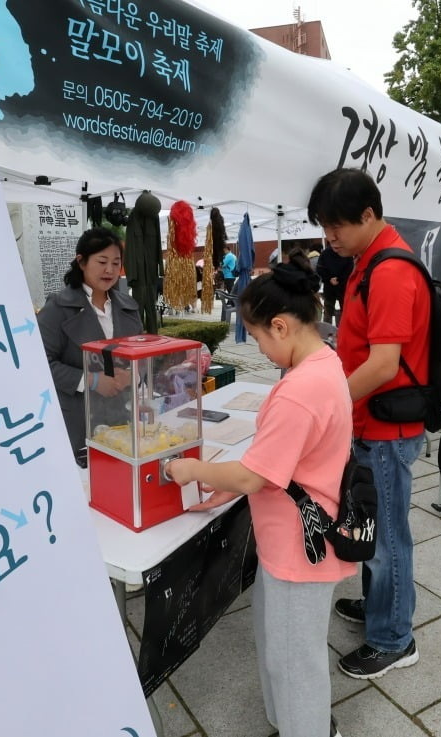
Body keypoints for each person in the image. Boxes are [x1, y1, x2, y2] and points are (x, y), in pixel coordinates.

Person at [165, 254, 353, 737]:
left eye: (260, 338)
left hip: (299, 545)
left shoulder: (300, 389)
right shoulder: (327, 361)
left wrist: (191, 469)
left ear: (281, 325)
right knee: (286, 648)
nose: (263, 351)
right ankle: (293, 723)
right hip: (302, 534)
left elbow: (254, 476)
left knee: (294, 659)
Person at [308, 167, 431, 680]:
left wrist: (329, 403)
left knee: (386, 539)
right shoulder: (365, 260)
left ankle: (393, 638)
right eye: (324, 227)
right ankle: (382, 606)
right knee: (370, 526)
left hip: (386, 428)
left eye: (337, 226)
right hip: (371, 423)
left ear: (369, 215)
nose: (329, 237)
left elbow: (383, 363)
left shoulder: (391, 270)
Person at [37, 227, 143, 466]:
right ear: (81, 262)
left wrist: (134, 376)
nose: (110, 270)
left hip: (122, 418)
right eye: (102, 261)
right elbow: (39, 364)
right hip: (77, 422)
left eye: (116, 263)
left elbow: (143, 355)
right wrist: (91, 381)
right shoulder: (57, 309)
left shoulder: (128, 307)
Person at [315, 241, 353, 326]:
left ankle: (343, 328)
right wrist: (329, 279)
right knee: (328, 309)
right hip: (329, 286)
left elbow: (350, 268)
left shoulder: (346, 253)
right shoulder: (325, 254)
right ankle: (327, 330)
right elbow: (320, 269)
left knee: (345, 309)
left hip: (342, 286)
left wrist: (338, 279)